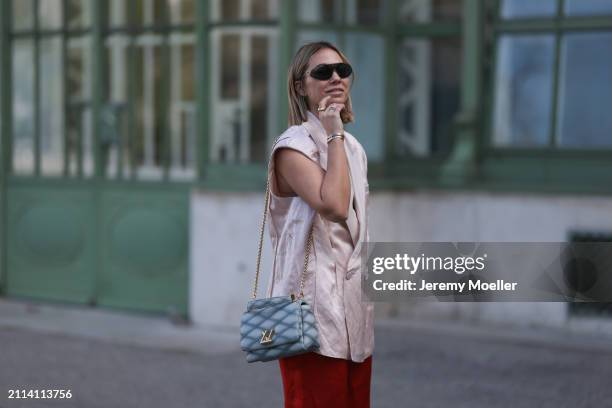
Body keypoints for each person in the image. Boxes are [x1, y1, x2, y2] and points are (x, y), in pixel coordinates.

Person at [264, 41, 374, 408]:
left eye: (343, 71)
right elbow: (335, 206)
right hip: (308, 317)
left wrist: (338, 136)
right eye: (322, 72)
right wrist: (334, 132)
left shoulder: (353, 149)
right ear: (300, 86)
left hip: (354, 318)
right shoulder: (292, 148)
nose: (336, 79)